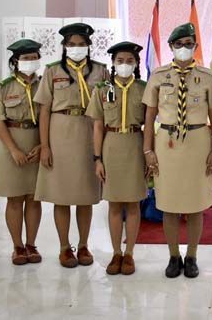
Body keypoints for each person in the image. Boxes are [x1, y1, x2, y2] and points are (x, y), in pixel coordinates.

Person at [143, 23, 212, 279]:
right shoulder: (158, 75)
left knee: (196, 205)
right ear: (171, 47)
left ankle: (192, 256)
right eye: (179, 44)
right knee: (169, 204)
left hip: (198, 143)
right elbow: (149, 116)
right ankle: (173, 256)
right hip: (167, 144)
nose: (184, 48)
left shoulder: (207, 76)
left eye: (189, 44)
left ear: (196, 46)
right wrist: (147, 150)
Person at [34, 23, 108, 268]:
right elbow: (44, 110)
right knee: (62, 195)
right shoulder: (52, 71)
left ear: (89, 46)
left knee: (85, 195)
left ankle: (84, 244)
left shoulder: (100, 71)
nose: (77, 48)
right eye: (72, 44)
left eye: (81, 44)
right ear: (64, 46)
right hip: (61, 133)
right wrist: (45, 146)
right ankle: (64, 247)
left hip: (89, 133)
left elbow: (108, 106)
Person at [88, 41, 148, 276]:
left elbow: (150, 125)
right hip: (111, 146)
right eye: (120, 61)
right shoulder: (102, 89)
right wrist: (97, 159)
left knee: (133, 204)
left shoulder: (144, 88)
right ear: (113, 63)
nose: (125, 65)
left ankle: (129, 253)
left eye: (130, 61)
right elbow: (97, 127)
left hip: (135, 145)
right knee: (114, 204)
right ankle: (116, 253)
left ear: (136, 64)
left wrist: (149, 154)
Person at [0, 39, 43, 265]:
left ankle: (31, 244)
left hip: (37, 143)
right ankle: (18, 246)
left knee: (33, 198)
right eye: (26, 58)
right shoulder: (4, 86)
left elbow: (49, 118)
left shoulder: (44, 85)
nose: (31, 62)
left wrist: (43, 145)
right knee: (14, 199)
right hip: (11, 144)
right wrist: (13, 150)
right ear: (16, 61)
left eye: (34, 58)